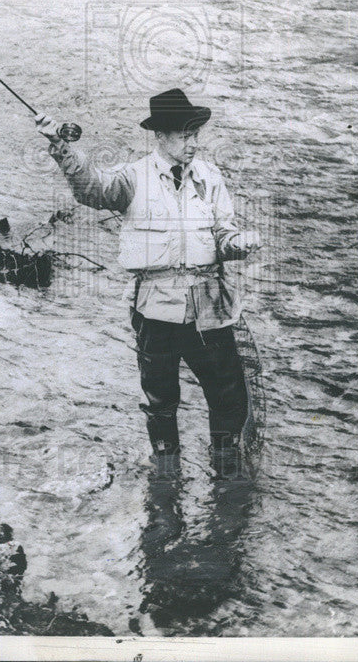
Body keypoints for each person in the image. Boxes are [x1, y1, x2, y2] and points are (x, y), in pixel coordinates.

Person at [34, 88, 260, 477]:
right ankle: (166, 480)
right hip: (154, 309)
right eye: (184, 135)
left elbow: (223, 234)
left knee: (229, 397)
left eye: (195, 134)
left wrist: (236, 244)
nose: (192, 143)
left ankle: (227, 478)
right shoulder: (133, 178)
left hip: (210, 308)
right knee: (161, 402)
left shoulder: (210, 177)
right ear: (160, 137)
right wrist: (61, 146)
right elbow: (92, 188)